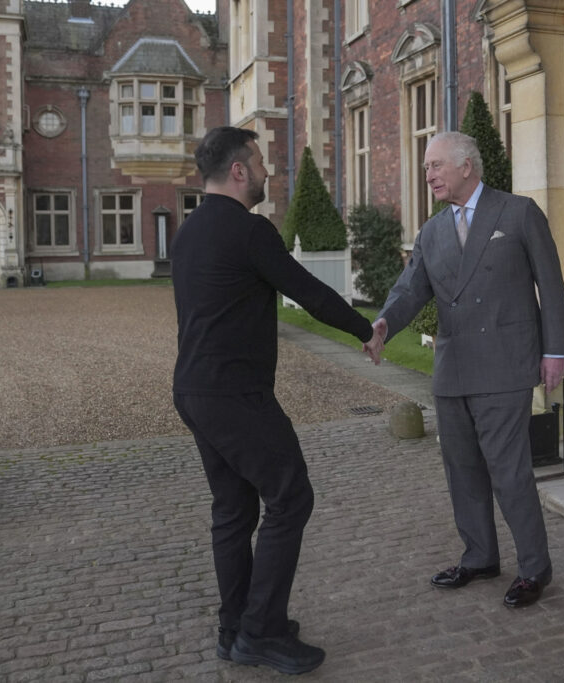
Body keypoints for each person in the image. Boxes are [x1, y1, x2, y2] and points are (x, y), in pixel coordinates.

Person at [171, 126, 383, 675]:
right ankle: (260, 632)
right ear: (239, 171)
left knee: (233, 510)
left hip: (194, 389)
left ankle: (234, 627)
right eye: (261, 163)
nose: (268, 172)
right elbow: (307, 290)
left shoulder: (187, 232)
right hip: (235, 393)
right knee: (291, 497)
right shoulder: (251, 230)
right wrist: (366, 328)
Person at [369, 131, 564, 608]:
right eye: (426, 168)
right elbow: (409, 289)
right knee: (462, 471)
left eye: (436, 165)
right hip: (452, 367)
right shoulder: (432, 230)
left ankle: (534, 568)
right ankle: (480, 555)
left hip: (506, 364)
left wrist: (555, 351)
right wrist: (381, 325)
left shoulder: (518, 213)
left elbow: (552, 286)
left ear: (466, 165)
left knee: (509, 471)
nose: (429, 175)